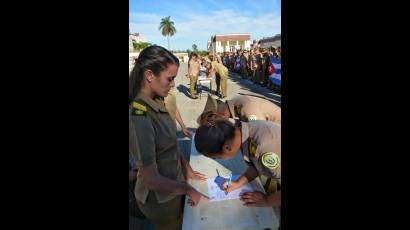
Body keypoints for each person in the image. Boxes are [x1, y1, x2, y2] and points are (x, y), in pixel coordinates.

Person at [129, 45, 207, 230]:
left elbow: (170, 143)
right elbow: (151, 179)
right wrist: (188, 189)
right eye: (170, 79)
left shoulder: (157, 100)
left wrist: (186, 168)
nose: (173, 84)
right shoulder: (138, 115)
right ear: (149, 75)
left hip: (175, 184)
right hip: (161, 200)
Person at [194, 114, 281, 208]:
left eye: (218, 157)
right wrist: (238, 182)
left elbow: (259, 158)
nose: (219, 159)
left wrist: (266, 201)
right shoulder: (243, 133)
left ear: (227, 148)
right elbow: (257, 165)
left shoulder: (264, 150)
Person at [197, 94, 281, 124]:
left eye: (219, 121)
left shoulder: (246, 107)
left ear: (222, 114)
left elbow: (261, 129)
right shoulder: (234, 103)